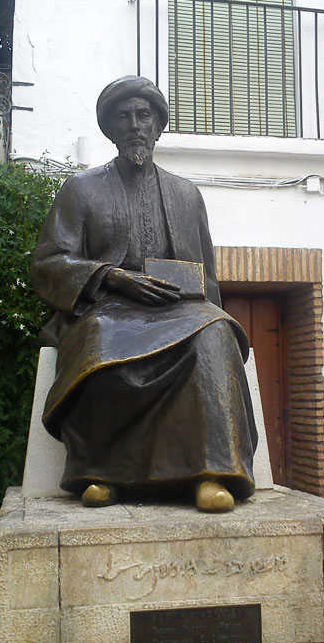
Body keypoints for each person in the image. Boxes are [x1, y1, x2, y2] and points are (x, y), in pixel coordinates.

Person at [30, 76, 257, 512]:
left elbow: (207, 276)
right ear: (111, 129)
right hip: (106, 305)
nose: (135, 124)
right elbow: (49, 263)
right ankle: (100, 473)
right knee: (99, 338)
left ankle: (213, 473)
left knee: (213, 334)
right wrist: (112, 277)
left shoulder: (186, 195)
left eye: (144, 115)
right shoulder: (81, 190)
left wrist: (203, 307)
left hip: (177, 308)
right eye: (124, 116)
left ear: (157, 127)